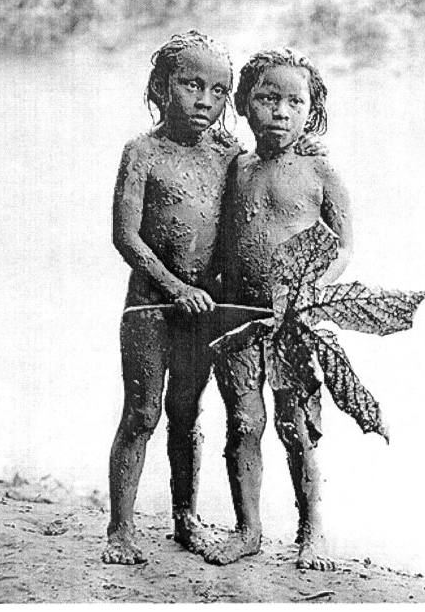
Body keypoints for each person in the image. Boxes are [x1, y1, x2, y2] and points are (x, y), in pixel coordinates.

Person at [102, 33, 326, 565]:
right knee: (141, 413)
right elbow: (125, 236)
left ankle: (185, 519)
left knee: (186, 412)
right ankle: (120, 529)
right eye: (190, 85)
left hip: (210, 310)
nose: (204, 99)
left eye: (218, 90)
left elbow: (265, 194)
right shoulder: (143, 151)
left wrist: (306, 147)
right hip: (153, 306)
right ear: (160, 87)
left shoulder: (230, 155)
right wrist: (175, 287)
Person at [203, 48, 353, 571]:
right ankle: (247, 529)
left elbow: (344, 245)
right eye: (268, 99)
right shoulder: (235, 167)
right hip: (237, 316)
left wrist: (313, 289)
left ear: (311, 111)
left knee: (295, 425)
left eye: (295, 101)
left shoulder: (320, 171)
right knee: (243, 422)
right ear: (244, 104)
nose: (281, 112)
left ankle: (312, 533)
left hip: (294, 320)